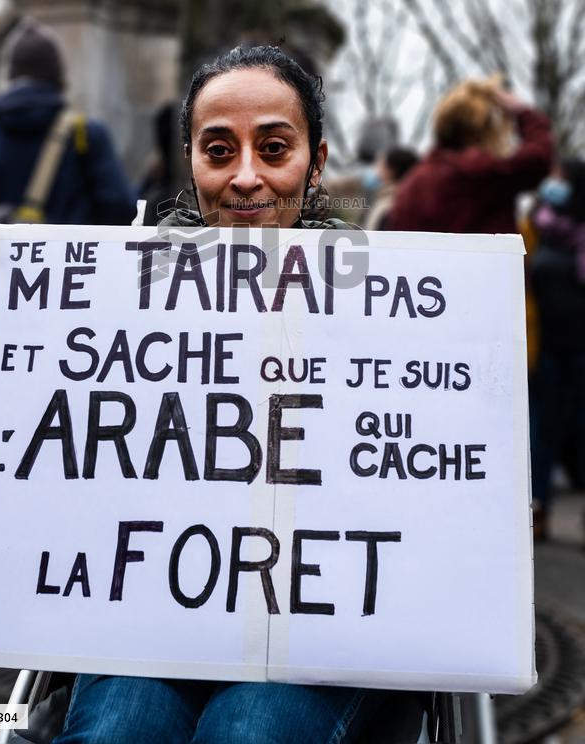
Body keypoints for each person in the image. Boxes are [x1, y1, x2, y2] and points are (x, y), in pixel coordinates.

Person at [51, 45, 401, 744]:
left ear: (317, 161)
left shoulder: (389, 303)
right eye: (219, 150)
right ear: (191, 161)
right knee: (113, 736)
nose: (246, 177)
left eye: (274, 148)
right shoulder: (117, 296)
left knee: (250, 737)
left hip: (315, 626)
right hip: (150, 611)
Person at [0, 21, 136, 238]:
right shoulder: (86, 135)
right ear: (58, 77)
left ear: (11, 76)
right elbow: (121, 210)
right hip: (75, 269)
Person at [388, 78, 552, 234]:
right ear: (482, 131)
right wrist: (524, 113)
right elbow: (537, 159)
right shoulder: (478, 172)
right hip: (486, 263)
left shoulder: (413, 182)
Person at [528, 159, 585, 541]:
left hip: (583, 350)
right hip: (546, 349)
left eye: (561, 179)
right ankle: (540, 510)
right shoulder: (539, 225)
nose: (554, 183)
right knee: (542, 432)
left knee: (583, 432)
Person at [364, 147, 418, 231]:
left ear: (391, 170)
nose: (376, 169)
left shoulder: (394, 202)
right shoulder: (387, 196)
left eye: (380, 164)